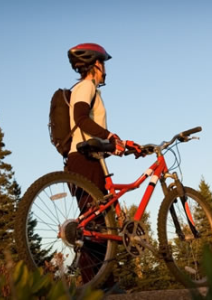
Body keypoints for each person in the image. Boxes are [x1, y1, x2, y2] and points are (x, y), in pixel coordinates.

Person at [66, 42, 138, 287]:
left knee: (100, 224)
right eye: (103, 63)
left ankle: (104, 283)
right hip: (83, 161)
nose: (105, 68)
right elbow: (80, 118)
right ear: (96, 64)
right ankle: (96, 287)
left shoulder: (89, 89)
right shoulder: (86, 86)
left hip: (90, 159)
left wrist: (123, 146)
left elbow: (91, 129)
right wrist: (111, 137)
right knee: (93, 225)